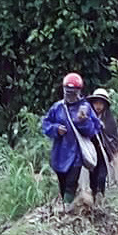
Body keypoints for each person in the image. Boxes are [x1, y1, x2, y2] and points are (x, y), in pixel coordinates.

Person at [41, 72, 102, 210]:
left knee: (71, 182)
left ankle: (67, 208)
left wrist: (83, 121)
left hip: (76, 153)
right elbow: (45, 124)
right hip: (60, 152)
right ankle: (65, 204)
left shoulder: (85, 108)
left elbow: (94, 130)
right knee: (62, 181)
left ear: (78, 92)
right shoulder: (57, 108)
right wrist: (56, 129)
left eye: (73, 92)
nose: (69, 95)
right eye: (67, 92)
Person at [86, 88, 118, 203]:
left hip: (104, 153)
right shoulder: (87, 117)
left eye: (101, 103)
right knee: (92, 176)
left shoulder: (110, 121)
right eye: (96, 103)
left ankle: (101, 195)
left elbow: (113, 138)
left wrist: (113, 151)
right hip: (91, 151)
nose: (98, 106)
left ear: (105, 105)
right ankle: (94, 196)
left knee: (102, 175)